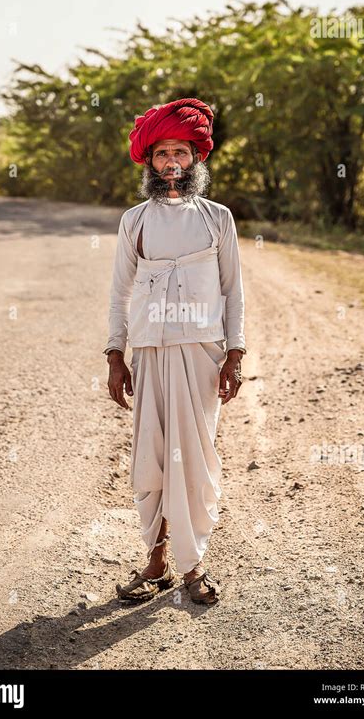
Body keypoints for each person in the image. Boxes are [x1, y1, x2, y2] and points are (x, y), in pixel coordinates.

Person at [103, 97, 246, 605]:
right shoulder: (134, 221)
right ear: (149, 160)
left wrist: (236, 353)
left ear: (196, 159)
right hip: (150, 352)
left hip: (201, 353)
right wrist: (115, 355)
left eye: (180, 153)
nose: (171, 164)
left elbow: (234, 291)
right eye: (162, 153)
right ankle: (158, 560)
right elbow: (120, 290)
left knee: (194, 460)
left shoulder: (217, 219)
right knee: (152, 458)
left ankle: (193, 566)